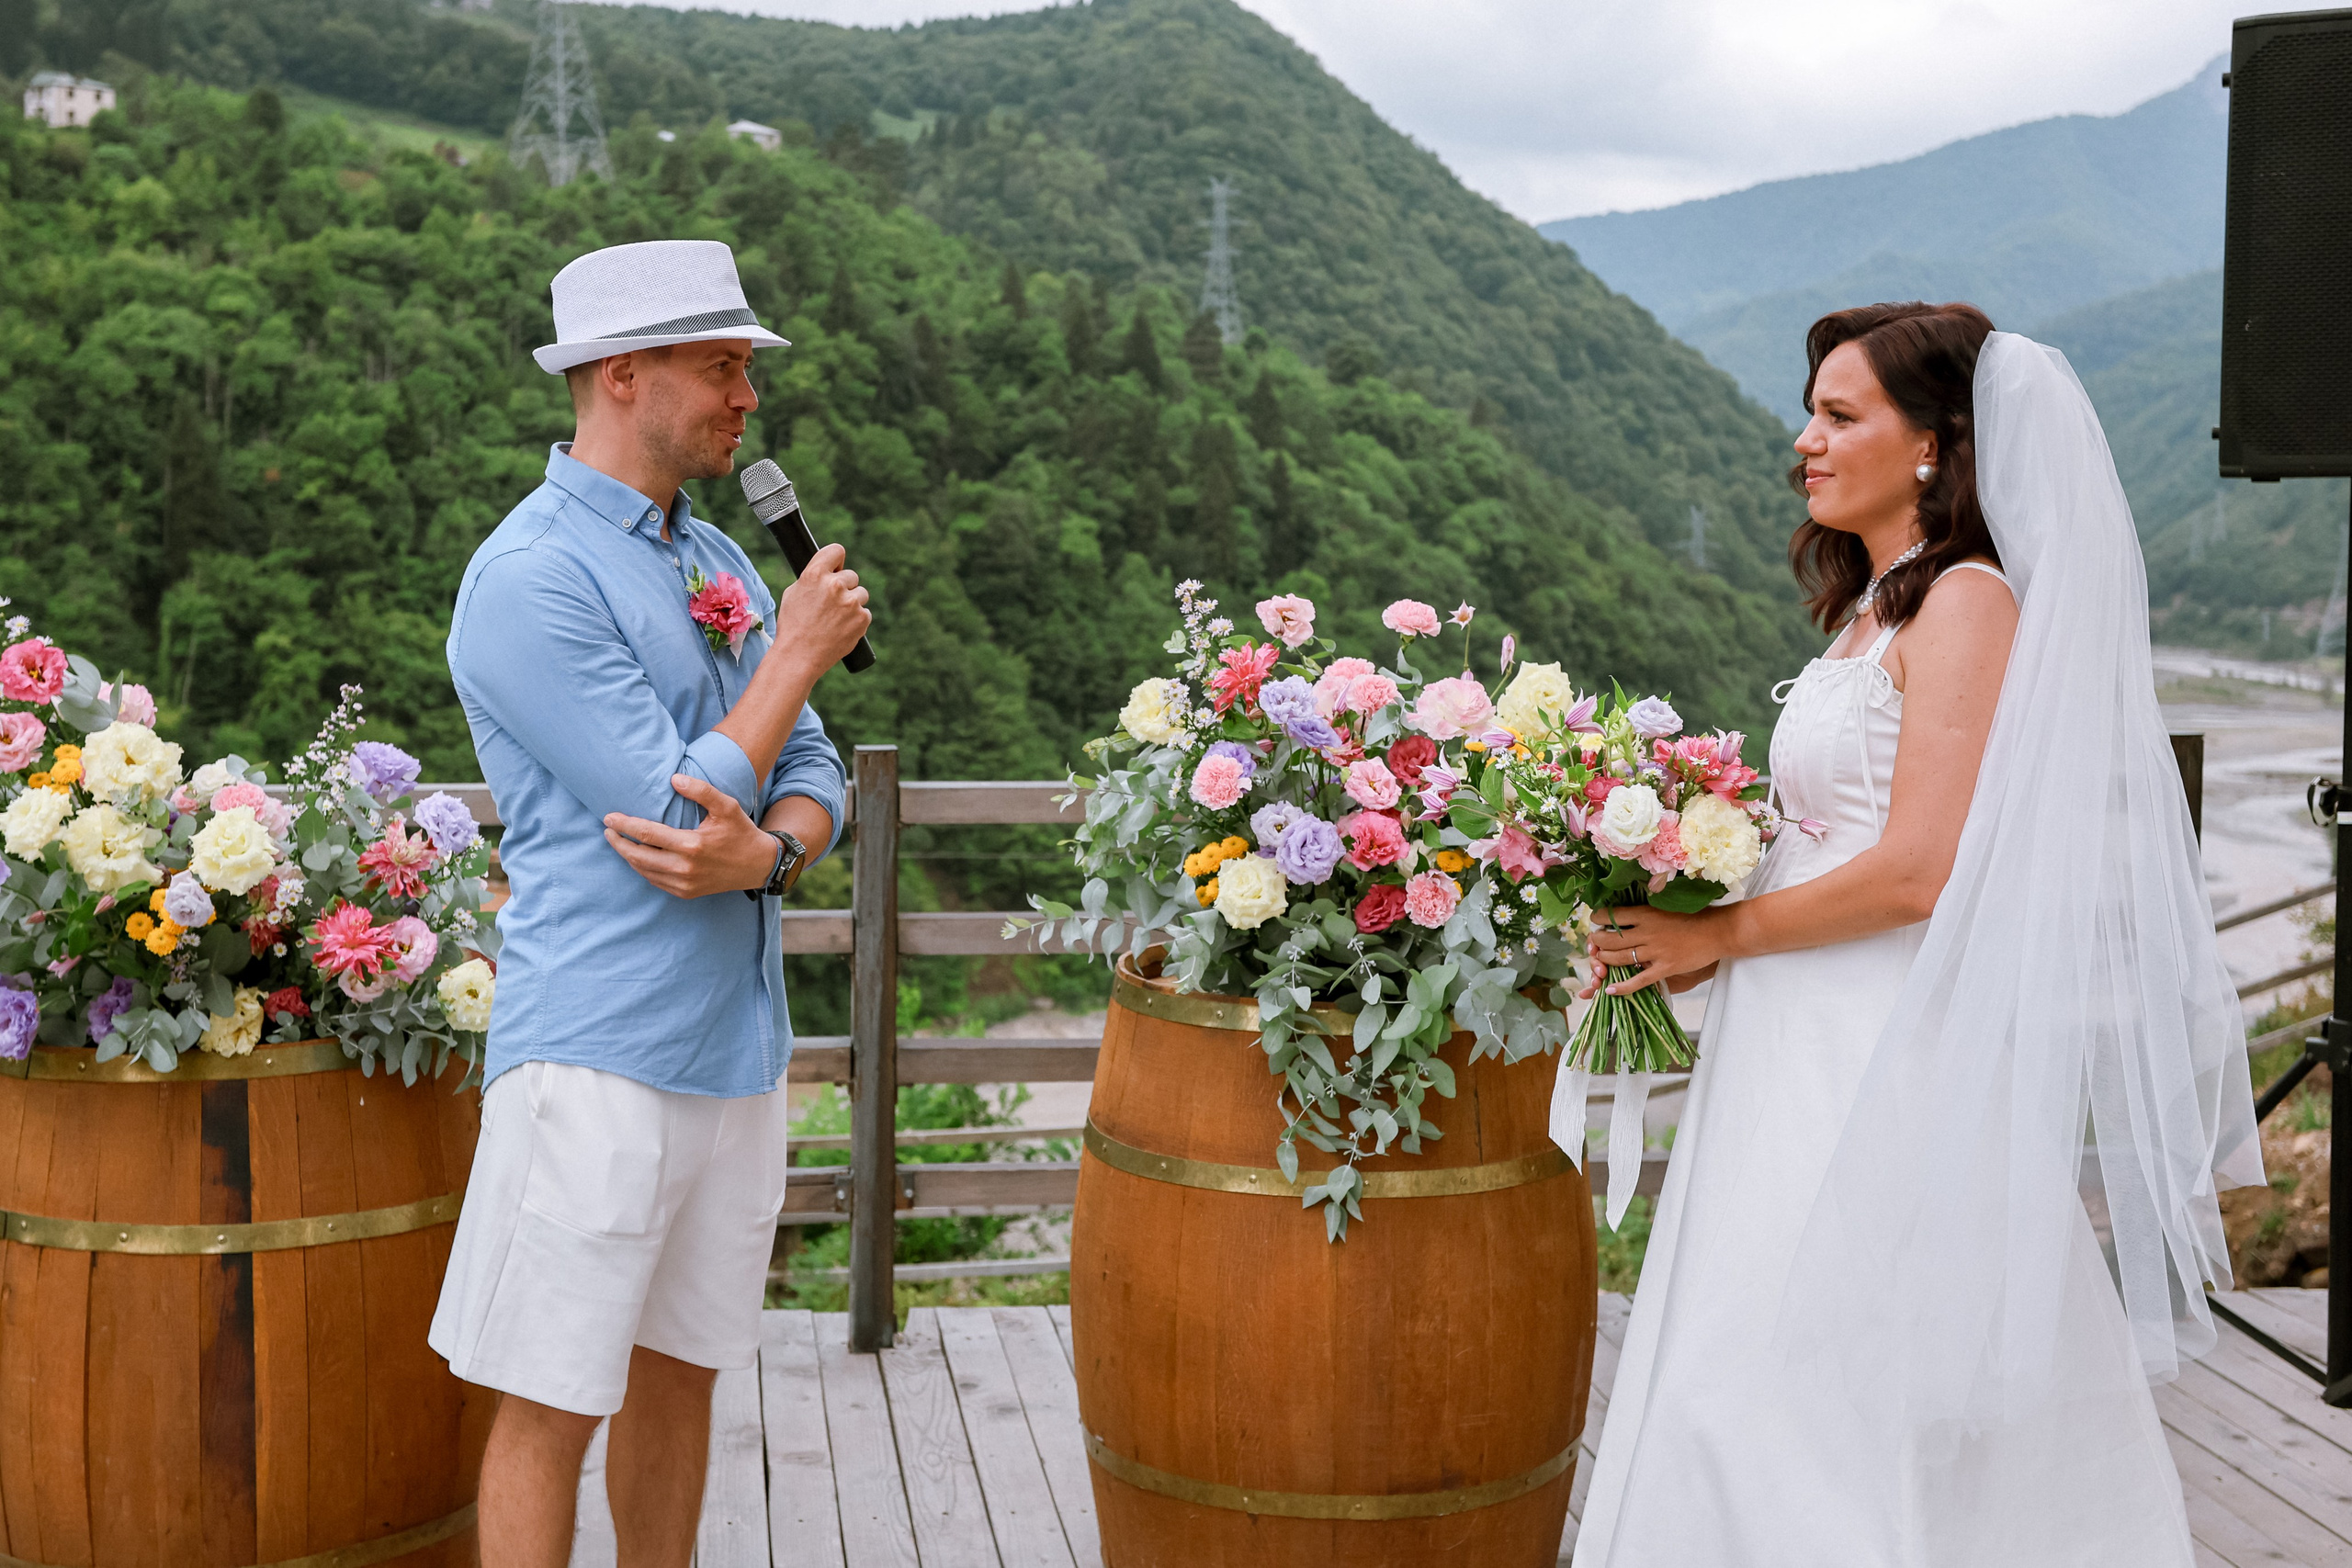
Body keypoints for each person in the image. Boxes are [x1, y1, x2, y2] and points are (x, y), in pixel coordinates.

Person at [1568, 304, 2262, 1565]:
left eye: (1841, 416)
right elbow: (1831, 828)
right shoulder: (1872, 609)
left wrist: (1719, 932)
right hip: (1796, 1028)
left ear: (1937, 444)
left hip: (1880, 1037)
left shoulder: (1969, 607)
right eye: (1812, 411)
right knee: (1750, 1346)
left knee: (1838, 1360)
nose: (1806, 442)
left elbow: (1922, 871)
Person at [428, 239, 871, 1568]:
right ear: (623, 375)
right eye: (721, 366)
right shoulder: (530, 580)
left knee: (685, 1379)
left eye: (746, 368)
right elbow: (672, 820)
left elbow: (813, 768)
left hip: (737, 1056)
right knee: (552, 1405)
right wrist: (791, 650)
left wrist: (775, 857)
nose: (748, 395)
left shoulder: (713, 552)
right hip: (596, 1061)